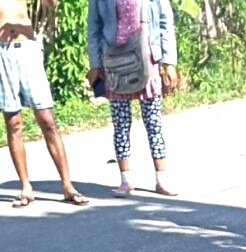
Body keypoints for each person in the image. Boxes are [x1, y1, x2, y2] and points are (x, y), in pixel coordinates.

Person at [0, 0, 89, 207]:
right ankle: (25, 187)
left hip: (27, 50)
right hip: (2, 54)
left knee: (47, 120)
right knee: (13, 123)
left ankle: (68, 185)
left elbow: (51, 3)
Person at [87, 0, 178, 197]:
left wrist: (169, 62)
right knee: (120, 124)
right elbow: (94, 27)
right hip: (114, 61)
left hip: (148, 60)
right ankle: (125, 179)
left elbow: (165, 21)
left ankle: (161, 178)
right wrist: (95, 64)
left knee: (153, 122)